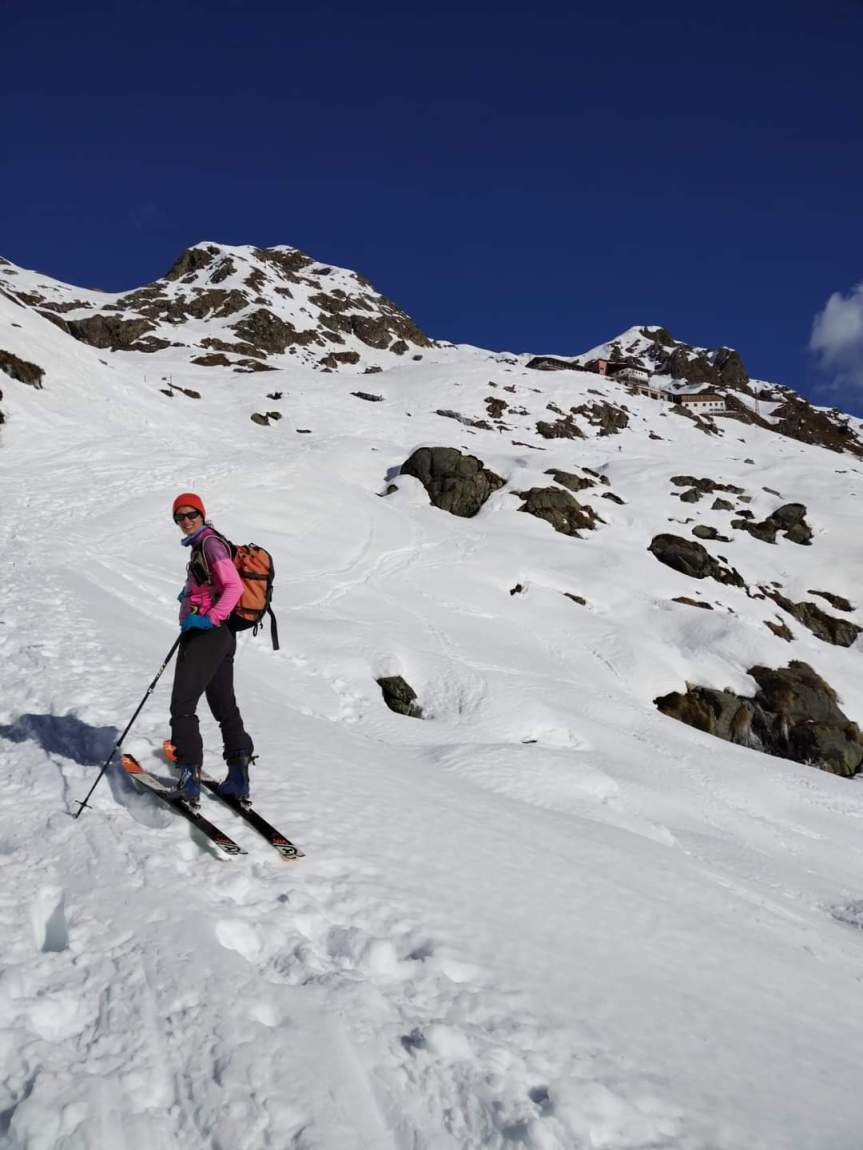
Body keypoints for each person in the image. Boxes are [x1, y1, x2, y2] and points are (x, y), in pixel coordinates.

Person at [169, 492, 255, 805]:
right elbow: (214, 585)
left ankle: (189, 779)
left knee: (183, 705)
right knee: (223, 705)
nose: (186, 520)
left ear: (202, 514)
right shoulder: (205, 544)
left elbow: (234, 586)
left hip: (208, 635)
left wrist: (207, 619)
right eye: (180, 517)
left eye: (192, 514)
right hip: (221, 637)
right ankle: (238, 776)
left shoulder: (210, 544)